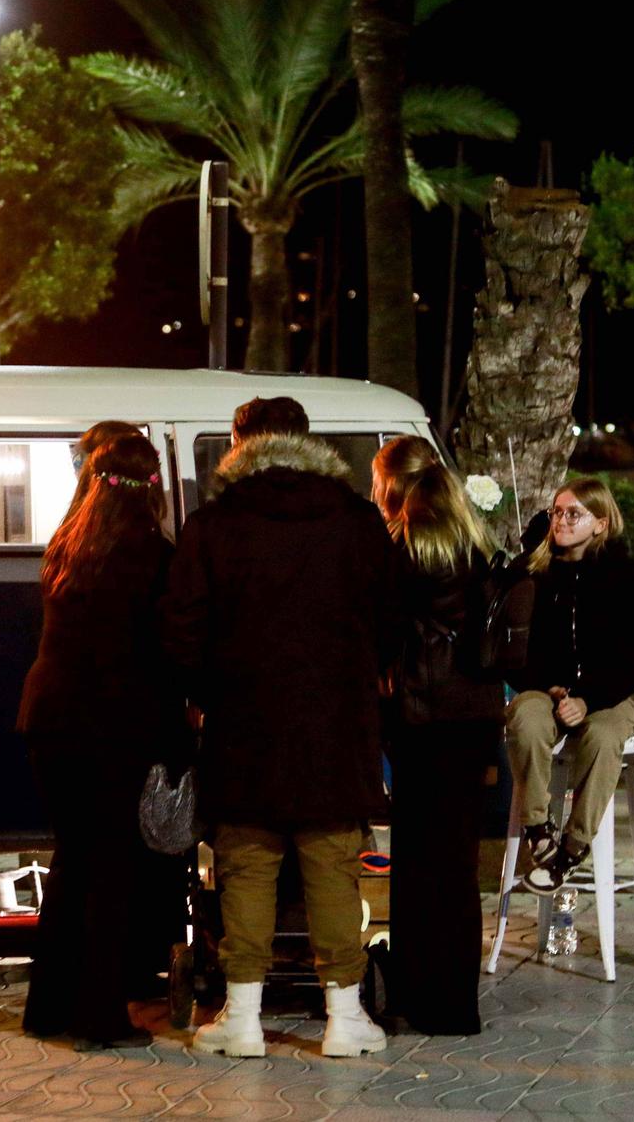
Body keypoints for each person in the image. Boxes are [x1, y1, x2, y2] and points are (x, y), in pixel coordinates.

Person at [164, 397, 400, 1059]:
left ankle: (240, 1017)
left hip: (243, 726)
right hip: (336, 726)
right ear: (306, 441)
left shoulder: (213, 523)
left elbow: (182, 629)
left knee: (246, 866)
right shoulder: (356, 520)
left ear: (241, 443)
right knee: (332, 866)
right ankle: (343, 1017)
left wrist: (206, 691)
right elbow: (391, 618)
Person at [18, 432, 186, 1048]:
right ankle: (97, 1016)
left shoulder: (68, 545)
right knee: (115, 872)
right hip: (115, 728)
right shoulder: (154, 555)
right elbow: (163, 653)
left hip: (51, 720)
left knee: (73, 860)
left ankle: (48, 1007)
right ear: (153, 489)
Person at [371, 435, 502, 1037]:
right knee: (457, 865)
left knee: (418, 864)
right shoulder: (478, 543)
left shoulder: (405, 546)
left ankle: (417, 996)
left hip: (422, 719)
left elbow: (384, 631)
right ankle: (458, 1003)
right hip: (473, 719)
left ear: (395, 484)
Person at [509, 477, 634, 893]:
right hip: (546, 690)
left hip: (607, 693)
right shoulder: (533, 573)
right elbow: (512, 644)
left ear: (600, 523)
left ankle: (573, 848)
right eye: (556, 512)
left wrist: (588, 696)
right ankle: (538, 827)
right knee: (526, 717)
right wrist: (548, 686)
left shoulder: (626, 578)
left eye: (573, 513)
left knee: (606, 733)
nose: (561, 521)